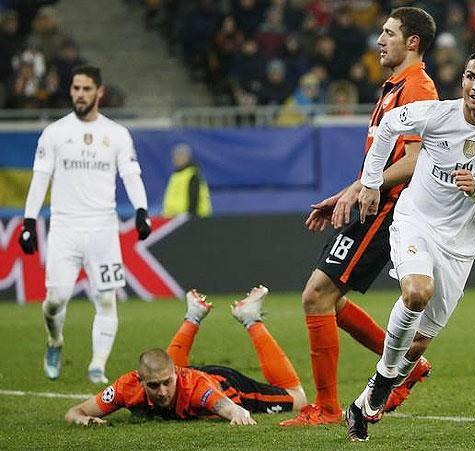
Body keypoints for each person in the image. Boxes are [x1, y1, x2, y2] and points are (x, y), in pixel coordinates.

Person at [346, 46, 475, 441]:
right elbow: (388, 125)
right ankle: (383, 385)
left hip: (461, 247)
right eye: (470, 76)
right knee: (417, 292)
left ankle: (364, 401)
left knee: (416, 344)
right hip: (417, 222)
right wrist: (370, 182)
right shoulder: (438, 114)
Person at [280, 7, 438, 427]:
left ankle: (328, 409)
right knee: (329, 301)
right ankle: (409, 365)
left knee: (317, 296)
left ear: (412, 42)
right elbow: (378, 164)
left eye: (388, 33)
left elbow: (414, 160)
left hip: (390, 209)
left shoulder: (418, 89)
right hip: (375, 203)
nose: (379, 40)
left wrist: (366, 190)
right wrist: (347, 193)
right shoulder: (393, 87)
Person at [18, 65, 153, 385]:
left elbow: (131, 175)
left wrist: (142, 210)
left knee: (106, 298)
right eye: (75, 88)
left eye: (86, 89)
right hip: (64, 227)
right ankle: (54, 341)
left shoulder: (117, 134)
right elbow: (41, 179)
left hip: (103, 229)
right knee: (55, 300)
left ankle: (97, 365)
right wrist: (28, 221)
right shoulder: (55, 133)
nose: (79, 94)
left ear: (99, 92)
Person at [64, 286, 307, 425]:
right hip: (188, 377)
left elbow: (224, 405)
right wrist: (83, 421)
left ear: (176, 376)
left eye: (166, 383)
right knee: (168, 375)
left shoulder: (197, 388)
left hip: (227, 386)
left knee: (299, 399)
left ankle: (250, 318)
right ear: (139, 380)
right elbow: (75, 412)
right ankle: (193, 315)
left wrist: (237, 412)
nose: (161, 392)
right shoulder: (126, 388)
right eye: (153, 385)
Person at [162, 143, 213, 218]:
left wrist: (190, 217)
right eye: (175, 156)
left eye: (179, 156)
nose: (176, 159)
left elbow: (194, 199)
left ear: (186, 158)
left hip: (190, 219)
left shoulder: (192, 175)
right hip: (174, 220)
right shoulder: (176, 176)